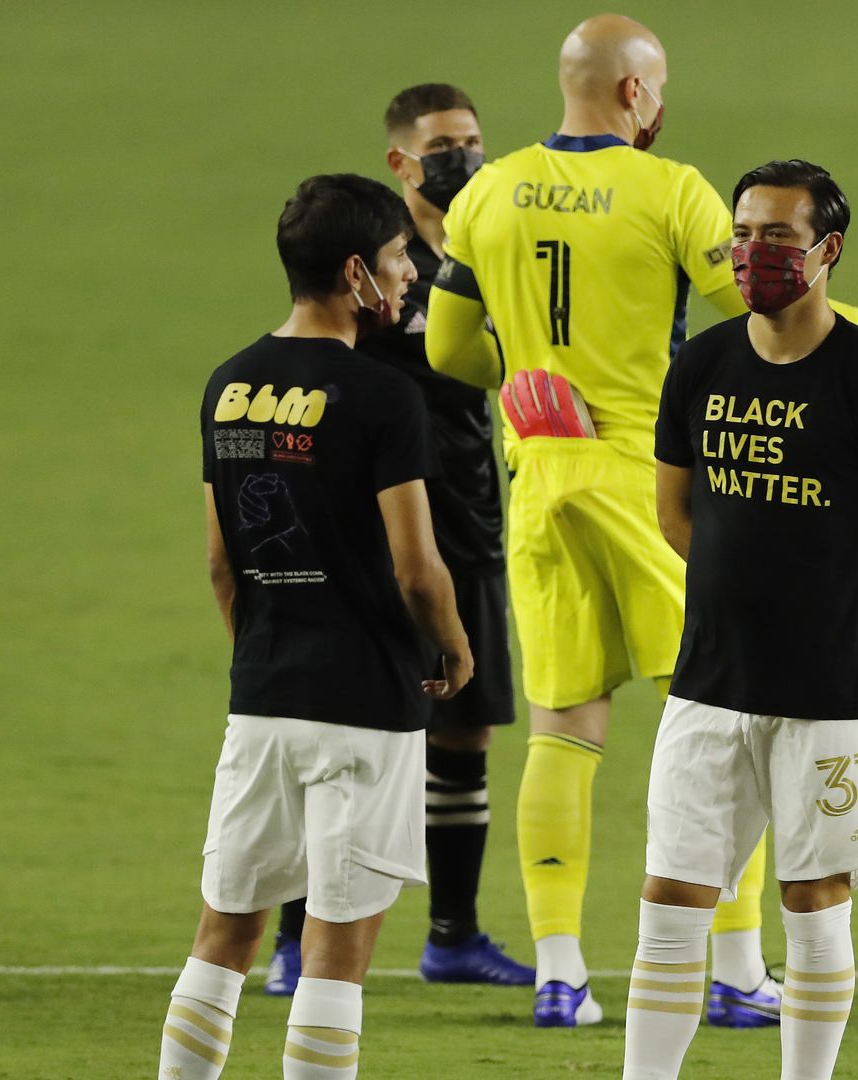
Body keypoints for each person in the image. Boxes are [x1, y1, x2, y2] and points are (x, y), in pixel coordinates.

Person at [425, 14, 830, 1027]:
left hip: (540, 484)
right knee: (725, 725)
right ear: (637, 95)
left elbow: (446, 350)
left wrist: (525, 375)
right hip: (651, 486)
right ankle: (736, 972)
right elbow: (757, 318)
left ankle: (561, 972)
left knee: (563, 732)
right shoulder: (671, 190)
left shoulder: (487, 193)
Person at [158, 173, 472, 1080]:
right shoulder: (381, 398)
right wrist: (453, 649)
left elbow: (223, 563)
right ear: (353, 273)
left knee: (223, 934)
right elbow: (419, 570)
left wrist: (263, 658)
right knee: (337, 952)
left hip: (262, 696)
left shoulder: (229, 386)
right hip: (367, 705)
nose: (409, 273)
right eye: (396, 258)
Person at [623, 160, 858, 1080]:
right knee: (671, 903)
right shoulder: (702, 363)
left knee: (814, 903)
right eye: (742, 236)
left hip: (830, 694)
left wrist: (822, 584)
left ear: (827, 251)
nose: (752, 254)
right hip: (709, 684)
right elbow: (676, 514)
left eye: (778, 238)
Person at [261, 82, 531, 998]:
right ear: (402, 158)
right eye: (445, 142)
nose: (464, 156)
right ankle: (297, 942)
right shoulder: (373, 259)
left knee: (467, 729)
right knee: (339, 731)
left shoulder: (496, 244)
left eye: (474, 139)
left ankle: (453, 936)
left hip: (469, 507)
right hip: (370, 516)